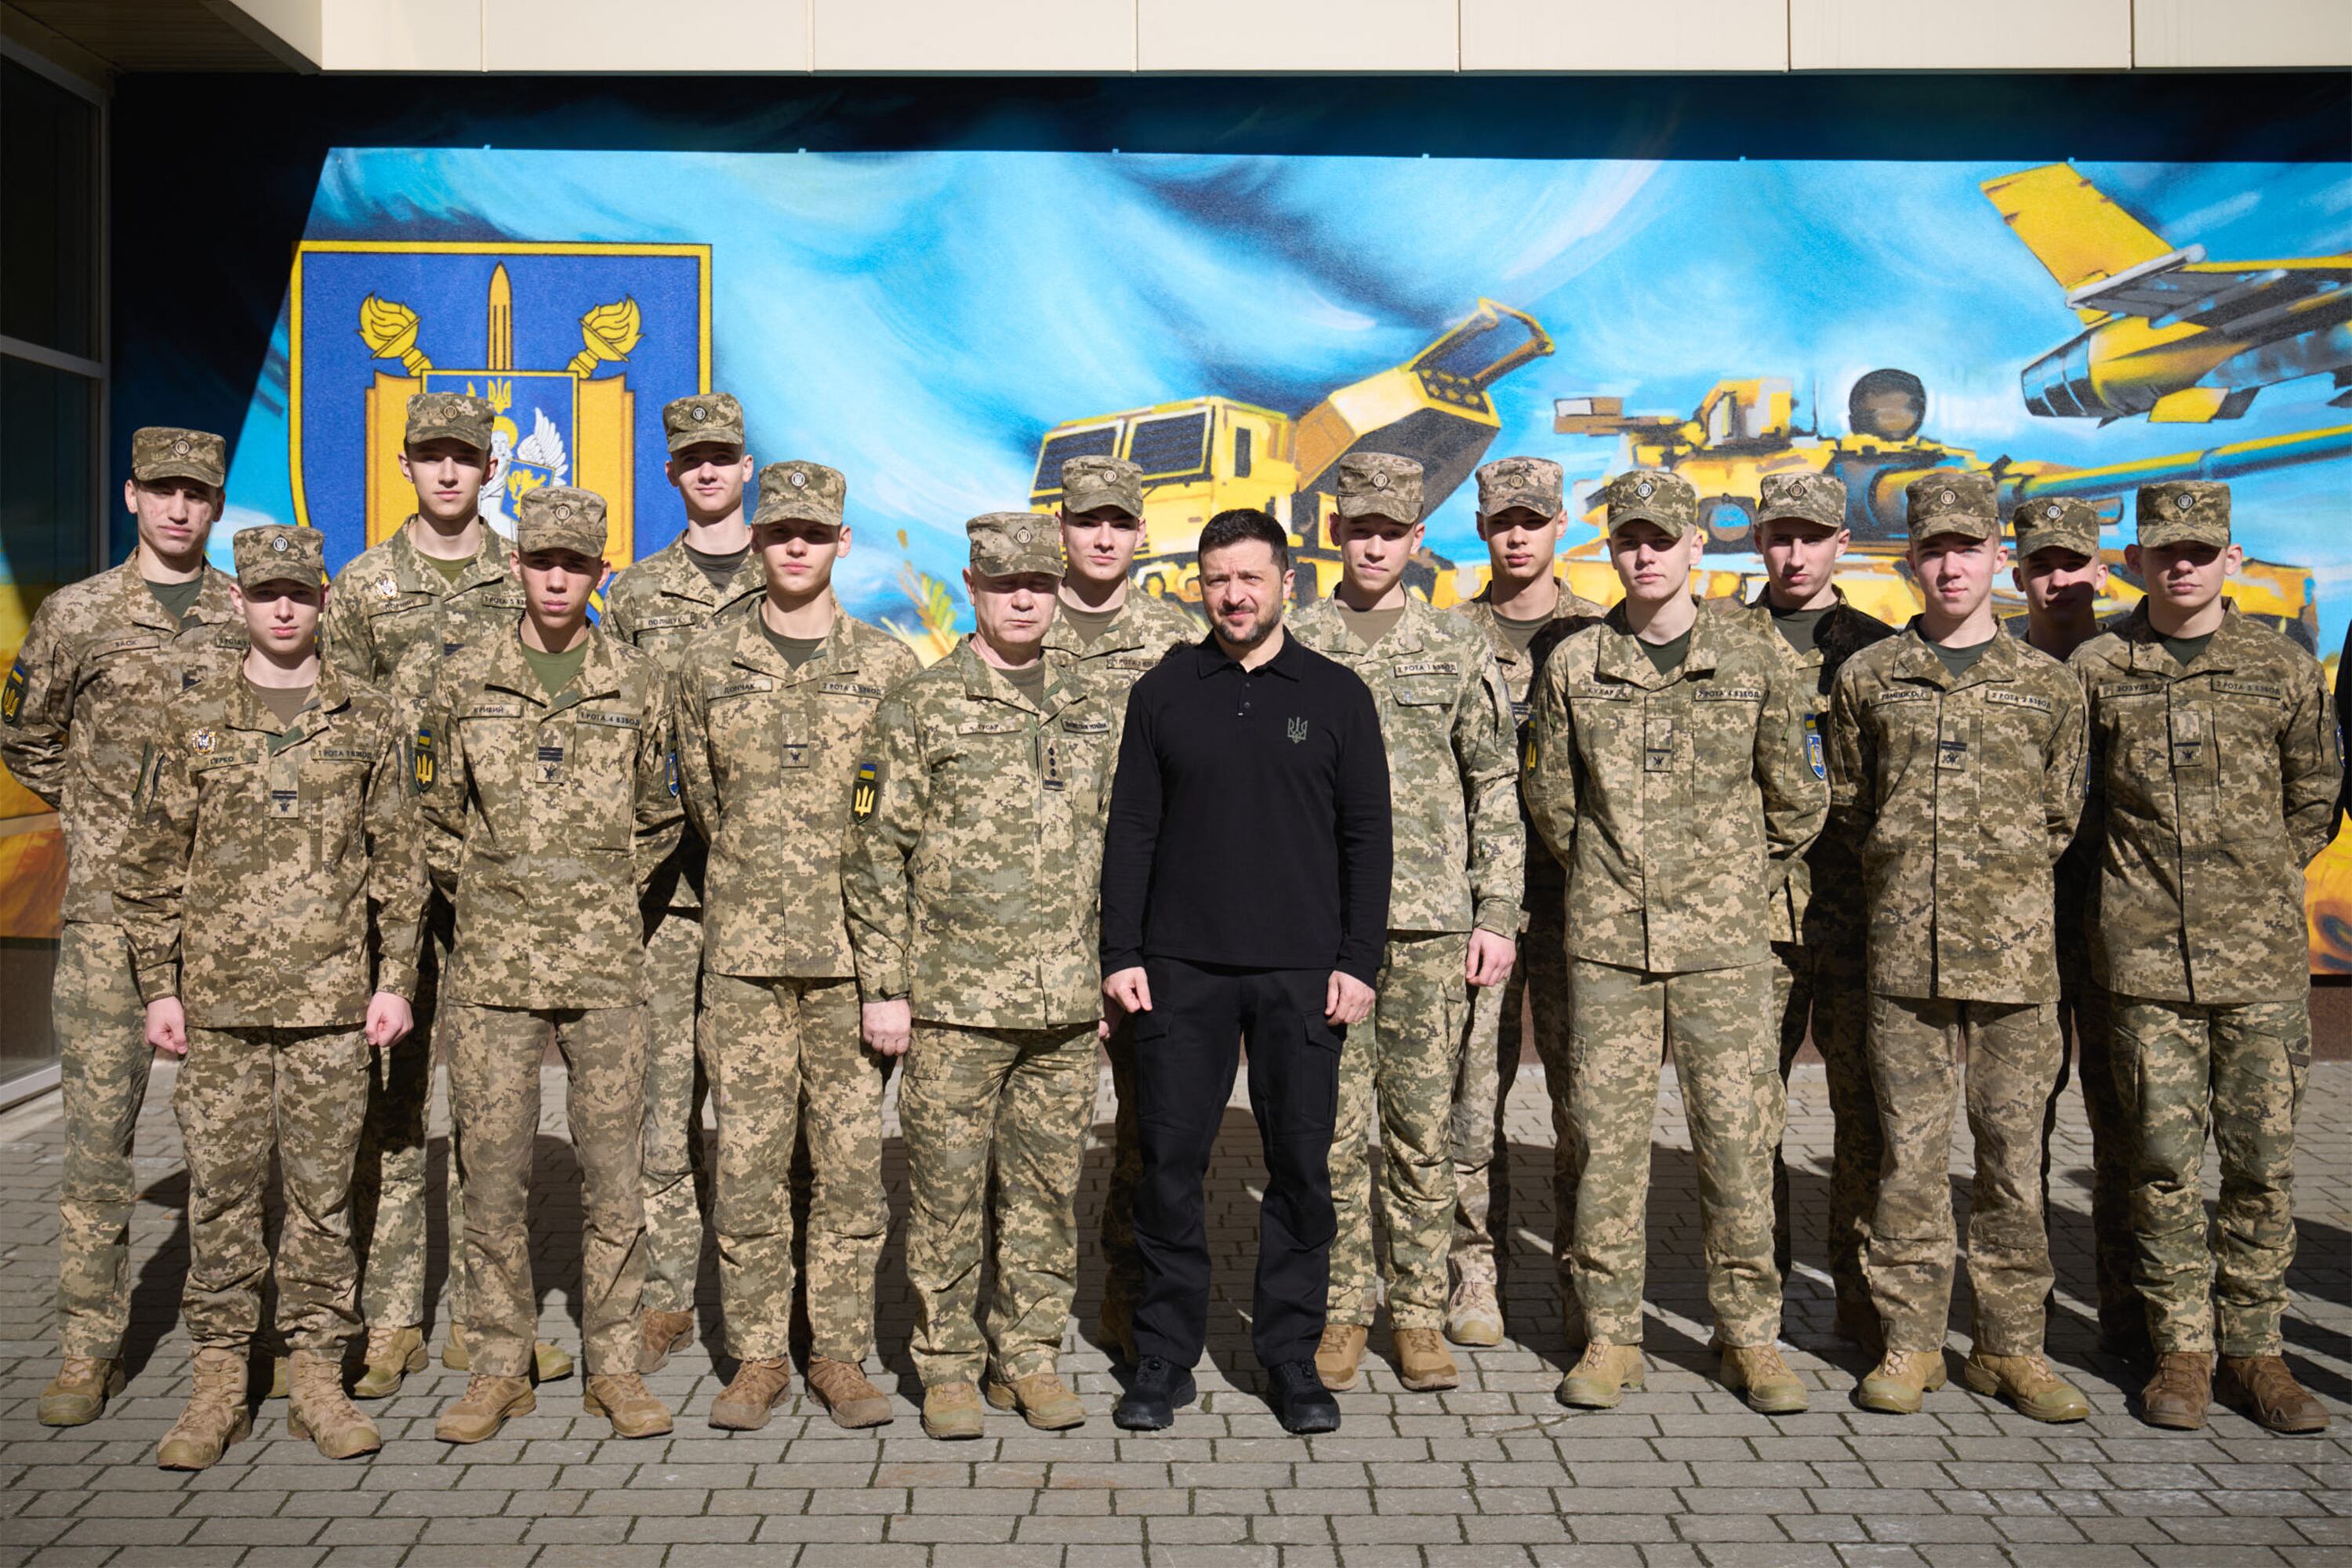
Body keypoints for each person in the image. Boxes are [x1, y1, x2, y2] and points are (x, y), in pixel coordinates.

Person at [118, 524, 423, 1468]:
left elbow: (398, 862)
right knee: (223, 1196)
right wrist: (158, 988)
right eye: (266, 594)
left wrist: (394, 977)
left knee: (327, 1200)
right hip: (219, 1008)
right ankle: (217, 1382)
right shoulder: (194, 718)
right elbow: (150, 860)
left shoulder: (366, 717)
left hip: (334, 1006)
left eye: (300, 592)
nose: (284, 608)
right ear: (242, 603)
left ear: (324, 599)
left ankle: (318, 1374)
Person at [1525, 467, 1820, 1414]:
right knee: (1606, 1148)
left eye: (1662, 538)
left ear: (1698, 546)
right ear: (1611, 550)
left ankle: (1750, 1337)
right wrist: (1617, 881)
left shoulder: (1754, 652)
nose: (1644, 554)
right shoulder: (1576, 662)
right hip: (1608, 947)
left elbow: (1799, 795)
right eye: (1628, 540)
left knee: (1738, 1146)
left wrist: (1726, 880)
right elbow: (1553, 802)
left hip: (1728, 949)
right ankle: (1611, 1335)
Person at [1100, 506, 1390, 1435]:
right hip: (1180, 970)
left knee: (1302, 1167)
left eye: (1250, 577)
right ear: (1201, 584)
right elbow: (1132, 830)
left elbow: (1367, 837)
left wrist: (1358, 960)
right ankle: (1163, 1354)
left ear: (1284, 585)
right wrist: (1122, 953)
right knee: (1170, 1167)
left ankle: (1290, 1357)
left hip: (1303, 974)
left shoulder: (1339, 694)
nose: (1233, 594)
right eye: (1217, 577)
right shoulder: (1164, 691)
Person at [2070, 481, 2339, 1434]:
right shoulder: (2100, 667)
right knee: (2161, 1164)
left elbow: (2316, 795)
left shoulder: (2282, 667)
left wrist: (2252, 878)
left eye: (2200, 549)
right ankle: (2183, 1351)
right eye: (2163, 549)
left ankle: (2256, 1351)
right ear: (2139, 560)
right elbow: (2078, 806)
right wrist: (2141, 894)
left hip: (2259, 962)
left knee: (2261, 1164)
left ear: (2230, 558)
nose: (2180, 563)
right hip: (2143, 963)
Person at [417, 486, 683, 1444]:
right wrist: (497, 888)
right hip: (492, 967)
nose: (558, 577)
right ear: (517, 568)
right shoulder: (462, 680)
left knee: (616, 1176)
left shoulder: (642, 681)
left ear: (600, 571)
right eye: (541, 561)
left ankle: (614, 1363)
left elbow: (664, 812)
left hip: (608, 963)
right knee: (490, 1177)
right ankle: (499, 1362)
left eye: (576, 562)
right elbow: (434, 812)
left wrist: (602, 889)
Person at [839, 513, 1112, 1442]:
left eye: (1039, 582)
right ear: (974, 585)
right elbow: (875, 852)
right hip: (954, 1003)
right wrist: (885, 985)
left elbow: (1125, 848)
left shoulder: (1091, 702)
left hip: (1066, 1006)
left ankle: (1026, 1355)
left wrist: (1113, 970)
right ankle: (947, 1363)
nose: (1026, 598)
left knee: (1043, 1192)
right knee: (948, 1194)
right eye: (1005, 585)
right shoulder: (921, 704)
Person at [1825, 471, 2089, 1422]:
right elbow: (1853, 807)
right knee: (1909, 1156)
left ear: (1998, 562)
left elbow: (2062, 812)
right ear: (1910, 561)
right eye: (1933, 548)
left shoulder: (2050, 687)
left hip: (2017, 965)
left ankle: (2013, 1346)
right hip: (1903, 960)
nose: (1950, 565)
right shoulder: (1868, 679)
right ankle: (1911, 1340)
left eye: (1967, 548)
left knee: (2015, 1157)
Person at [320, 391, 568, 1394]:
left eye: (467, 456)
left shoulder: (519, 581)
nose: (450, 472)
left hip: (483, 894)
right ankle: (387, 1320)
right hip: (386, 888)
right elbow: (332, 723)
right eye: (432, 456)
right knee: (388, 1110)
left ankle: (482, 1318)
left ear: (490, 468)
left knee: (488, 1115)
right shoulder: (365, 585)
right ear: (407, 465)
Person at [3, 426, 243, 1427]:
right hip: (106, 919)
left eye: (199, 493)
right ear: (132, 496)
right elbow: (26, 734)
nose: (181, 508)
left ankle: (230, 1347)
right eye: (164, 490)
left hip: (225, 919)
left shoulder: (249, 611)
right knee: (99, 1145)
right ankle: (86, 1348)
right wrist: (99, 820)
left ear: (217, 505)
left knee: (229, 1150)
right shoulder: (79, 614)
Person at [673, 459, 918, 1431]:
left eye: (814, 533)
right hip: (742, 961)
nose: (797, 548)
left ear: (842, 543)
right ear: (760, 542)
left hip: (852, 963)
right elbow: (704, 799)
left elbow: (901, 819)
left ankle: (841, 1353)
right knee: (748, 1165)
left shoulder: (889, 667)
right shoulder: (708, 664)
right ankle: (759, 1355)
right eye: (781, 533)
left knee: (852, 1170)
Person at [1290, 453, 1520, 1396]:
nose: (1375, 543)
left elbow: (1495, 784)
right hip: (1317, 926)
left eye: (1393, 529)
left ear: (1419, 539)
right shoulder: (1293, 643)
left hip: (1428, 925)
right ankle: (1344, 1307)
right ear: (1335, 533)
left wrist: (1498, 908)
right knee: (1333, 1135)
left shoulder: (1457, 646)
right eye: (1360, 527)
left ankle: (1419, 1313)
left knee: (1422, 1131)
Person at [1704, 472, 1896, 1349]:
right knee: (1749, 1117)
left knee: (1862, 1112)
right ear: (1757, 542)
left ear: (1840, 543)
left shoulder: (1880, 651)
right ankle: (1756, 1294)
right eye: (1779, 534)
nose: (1793, 552)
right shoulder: (1717, 642)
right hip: (1750, 917)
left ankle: (1857, 1291)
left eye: (1811, 536)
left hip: (1855, 912)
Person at [602, 392, 768, 1374]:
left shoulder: (790, 572)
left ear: (748, 466)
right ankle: (667, 1291)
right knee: (665, 1107)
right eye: (692, 459)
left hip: (762, 895)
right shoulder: (636, 593)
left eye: (724, 456)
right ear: (671, 473)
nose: (709, 471)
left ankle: (768, 1294)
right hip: (666, 895)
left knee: (757, 1111)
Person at [1044, 454, 1200, 1366]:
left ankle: (1130, 1301)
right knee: (1039, 1139)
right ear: (1062, 527)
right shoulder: (1021, 623)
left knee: (1151, 1129)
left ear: (1141, 533)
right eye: (1085, 520)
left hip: (1151, 923)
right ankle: (1022, 1315)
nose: (1102, 537)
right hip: (1040, 924)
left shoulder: (1178, 640)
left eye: (1118, 521)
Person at [1445, 456, 1603, 1348]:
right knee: (1474, 1098)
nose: (1518, 535)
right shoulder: (1450, 635)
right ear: (1482, 526)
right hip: (1482, 904)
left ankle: (1589, 1281)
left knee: (1587, 1103)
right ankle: (1473, 1273)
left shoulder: (1600, 633)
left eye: (1534, 520)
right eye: (1504, 519)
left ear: (1559, 528)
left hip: (1584, 900)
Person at [2007, 495, 2141, 1363]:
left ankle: (2132, 1310)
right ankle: (2025, 1309)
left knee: (2129, 1114)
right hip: (2019, 922)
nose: (2058, 580)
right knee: (2021, 1122)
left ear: (2100, 567)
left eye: (2073, 563)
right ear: (2016, 571)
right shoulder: (2000, 662)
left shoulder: (2133, 661)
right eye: (2040, 564)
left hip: (2126, 919)